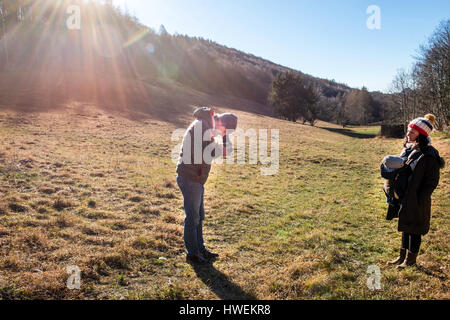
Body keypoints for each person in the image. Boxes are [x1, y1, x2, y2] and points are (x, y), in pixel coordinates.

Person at [176, 107, 237, 264]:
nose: (221, 134)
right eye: (224, 131)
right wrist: (222, 141)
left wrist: (223, 137)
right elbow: (213, 153)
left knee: (198, 216)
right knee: (193, 217)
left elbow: (224, 151)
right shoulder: (201, 126)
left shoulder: (205, 125)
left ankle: (200, 249)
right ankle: (193, 254)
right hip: (190, 178)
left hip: (196, 179)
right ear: (221, 123)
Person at [386, 114, 445, 269]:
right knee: (406, 226)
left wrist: (419, 198)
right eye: (408, 131)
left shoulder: (429, 155)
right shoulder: (409, 150)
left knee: (415, 229)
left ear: (422, 135)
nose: (408, 134)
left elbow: (432, 182)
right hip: (406, 197)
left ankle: (411, 260)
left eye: (412, 132)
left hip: (418, 200)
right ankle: (401, 257)